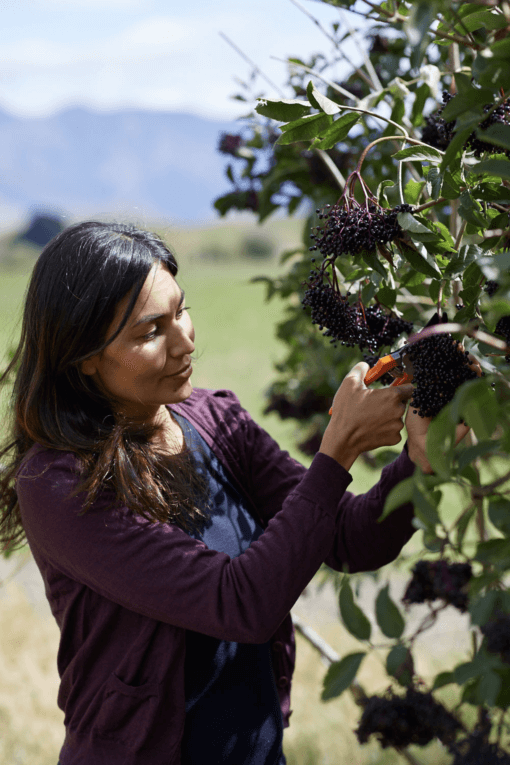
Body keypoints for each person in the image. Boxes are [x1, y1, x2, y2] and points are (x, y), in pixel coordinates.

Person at [0, 221, 463, 765]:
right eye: (151, 332)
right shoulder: (58, 484)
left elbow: (347, 538)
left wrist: (419, 463)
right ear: (84, 357)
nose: (183, 340)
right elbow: (240, 603)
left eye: (181, 310)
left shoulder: (217, 421)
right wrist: (337, 453)